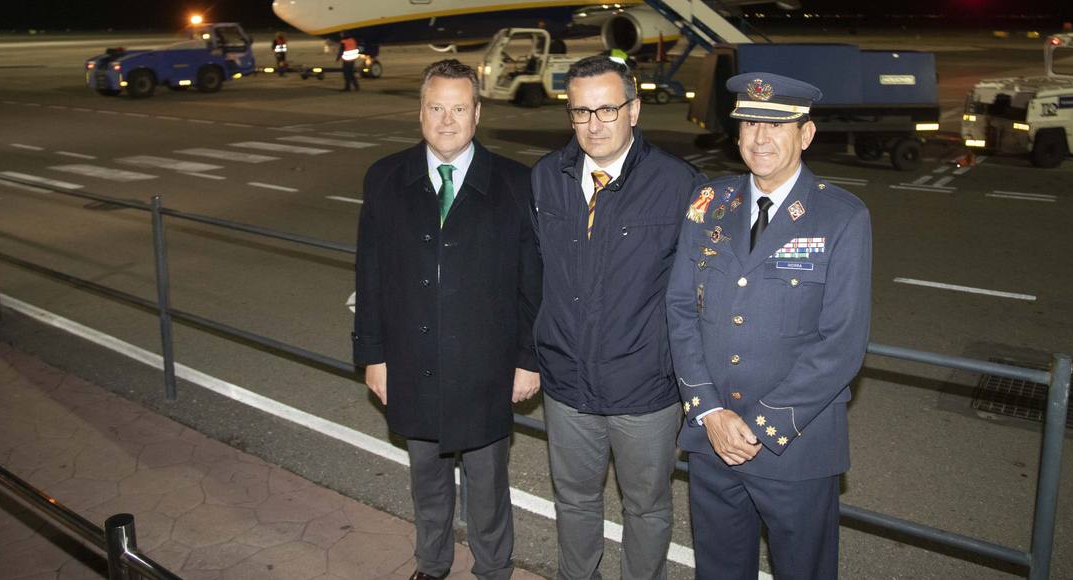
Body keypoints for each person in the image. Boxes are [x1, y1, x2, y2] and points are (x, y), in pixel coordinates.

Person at [665, 72, 872, 580]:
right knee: (717, 570)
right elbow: (680, 309)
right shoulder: (708, 203)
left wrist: (760, 428)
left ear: (806, 134)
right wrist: (711, 413)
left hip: (794, 448)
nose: (760, 138)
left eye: (777, 125)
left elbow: (842, 343)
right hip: (713, 441)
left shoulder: (841, 217)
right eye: (750, 123)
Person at [353, 59, 543, 580]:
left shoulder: (515, 184)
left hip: (487, 365)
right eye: (436, 108)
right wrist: (372, 355)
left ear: (477, 113)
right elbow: (369, 275)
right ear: (420, 113)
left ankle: (493, 569)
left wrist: (529, 361)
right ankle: (431, 565)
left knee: (488, 484)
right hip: (413, 362)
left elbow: (533, 284)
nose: (447, 120)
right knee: (427, 479)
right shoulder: (386, 178)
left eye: (459, 108)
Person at [531, 54, 701, 580]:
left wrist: (692, 387)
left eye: (607, 109)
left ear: (635, 110)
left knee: (646, 507)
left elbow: (698, 295)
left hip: (644, 388)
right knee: (575, 500)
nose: (593, 124)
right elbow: (532, 277)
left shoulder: (680, 184)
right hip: (567, 384)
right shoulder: (546, 178)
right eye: (581, 112)